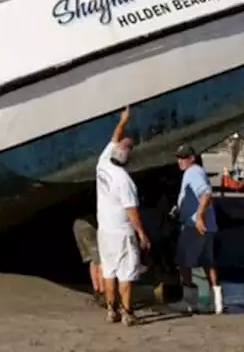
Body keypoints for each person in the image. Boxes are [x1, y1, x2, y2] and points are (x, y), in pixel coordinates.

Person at [95, 106, 150, 326]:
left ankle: (111, 311)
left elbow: (113, 140)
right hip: (122, 232)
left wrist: (122, 121)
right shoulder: (125, 180)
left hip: (104, 231)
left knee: (109, 271)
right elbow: (132, 211)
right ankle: (127, 312)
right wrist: (142, 234)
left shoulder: (102, 164)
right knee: (126, 273)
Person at [174, 144, 222, 314]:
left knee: (185, 263)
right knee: (208, 263)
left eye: (184, 157)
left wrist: (199, 217)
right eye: (178, 157)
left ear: (192, 158)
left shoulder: (192, 172)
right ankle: (217, 303)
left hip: (194, 225)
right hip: (205, 225)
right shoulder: (197, 172)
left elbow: (206, 193)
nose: (180, 161)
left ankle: (190, 301)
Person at [72, 215, 105, 308]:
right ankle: (103, 292)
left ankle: (97, 290)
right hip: (90, 224)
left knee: (93, 260)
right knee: (101, 260)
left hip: (78, 224)